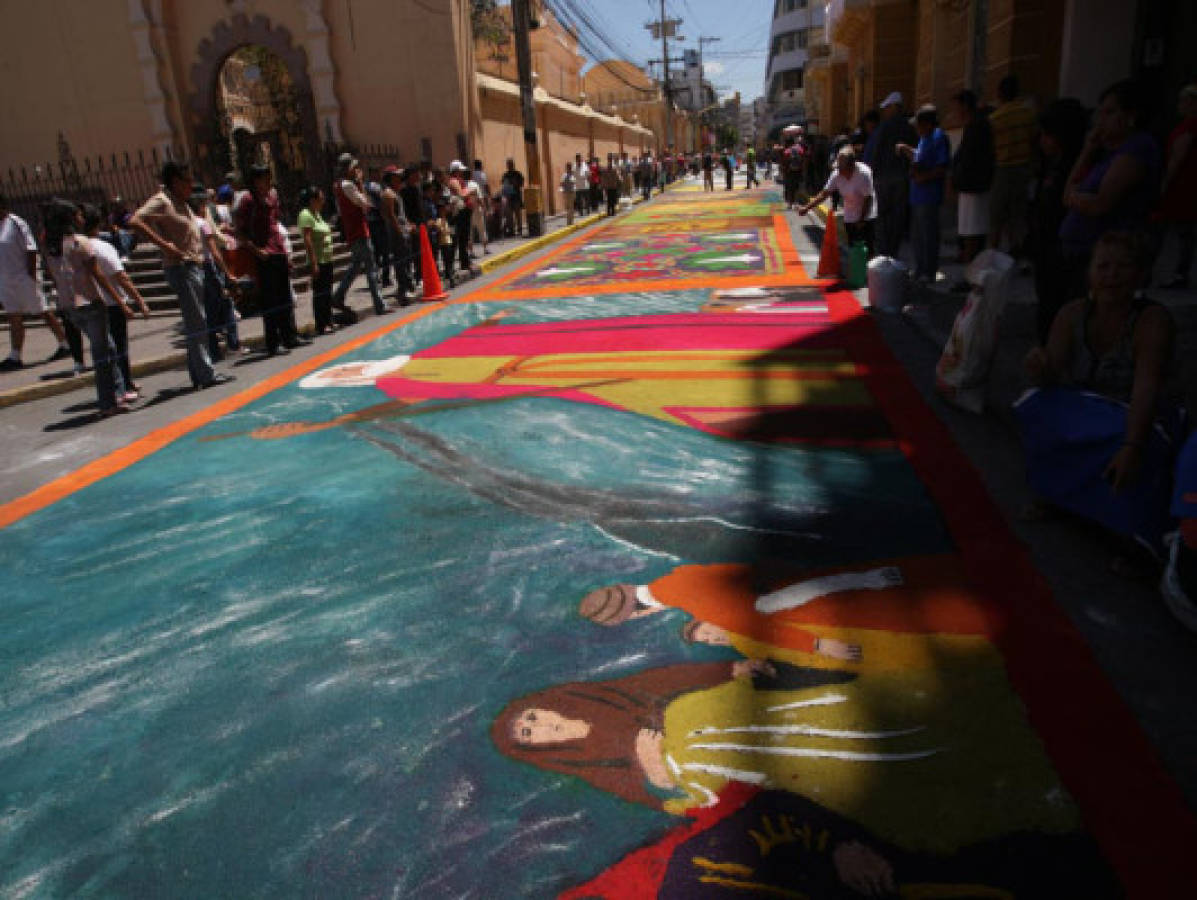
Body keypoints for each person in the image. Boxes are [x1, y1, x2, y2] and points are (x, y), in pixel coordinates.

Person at [1021, 230, 1179, 559]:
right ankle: (1062, 495)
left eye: (1123, 267)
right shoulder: (1072, 314)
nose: (1112, 276)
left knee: (1135, 442)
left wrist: (1132, 446)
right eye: (1103, 267)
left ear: (1139, 275)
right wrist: (1040, 366)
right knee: (1036, 406)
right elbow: (1052, 376)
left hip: (1138, 413)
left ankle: (1135, 536)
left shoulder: (1152, 321)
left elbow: (1146, 389)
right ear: (1089, 273)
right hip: (1091, 410)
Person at [1059, 79, 1161, 303]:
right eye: (1100, 113)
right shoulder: (1107, 153)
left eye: (1109, 113)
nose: (1100, 121)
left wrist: (1076, 198)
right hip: (1081, 252)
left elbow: (1100, 203)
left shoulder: (1137, 149)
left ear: (1130, 116)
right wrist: (1087, 151)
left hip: (1106, 258)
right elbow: (1068, 191)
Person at [130, 160, 230, 388]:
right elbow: (135, 220)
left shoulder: (181, 202)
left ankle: (199, 373)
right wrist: (165, 245)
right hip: (181, 267)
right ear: (175, 181)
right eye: (187, 181)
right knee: (197, 322)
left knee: (198, 321)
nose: (191, 185)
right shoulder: (162, 200)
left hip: (194, 266)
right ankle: (206, 374)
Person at [42, 199, 129, 416]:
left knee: (106, 349)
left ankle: (117, 392)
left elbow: (54, 277)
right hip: (89, 302)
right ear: (70, 219)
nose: (82, 218)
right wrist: (119, 301)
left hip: (69, 306)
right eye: (78, 215)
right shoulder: (80, 242)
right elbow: (97, 274)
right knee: (102, 354)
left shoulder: (51, 246)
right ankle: (107, 403)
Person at [1030, 98, 1089, 343]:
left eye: (1047, 135)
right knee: (1047, 306)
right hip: (1044, 246)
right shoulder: (1050, 164)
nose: (1042, 140)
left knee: (1058, 310)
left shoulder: (1076, 166)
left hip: (1062, 251)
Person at [235, 163, 304, 355]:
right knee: (270, 301)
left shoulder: (272, 196)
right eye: (263, 178)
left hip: (278, 251)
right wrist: (256, 250)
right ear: (255, 180)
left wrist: (285, 253)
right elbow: (239, 231)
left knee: (285, 298)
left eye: (268, 177)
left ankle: (289, 335)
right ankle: (273, 343)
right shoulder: (248, 200)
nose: (267, 182)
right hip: (263, 255)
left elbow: (274, 224)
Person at [81, 202, 147, 401]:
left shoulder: (77, 247)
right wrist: (138, 301)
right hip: (111, 303)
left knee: (105, 348)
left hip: (91, 303)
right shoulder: (102, 247)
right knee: (119, 347)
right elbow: (121, 277)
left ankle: (122, 384)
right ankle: (124, 385)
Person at [0, 194, 72, 372]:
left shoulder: (15, 222)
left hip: (24, 277)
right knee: (13, 316)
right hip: (5, 280)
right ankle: (15, 355)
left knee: (43, 311)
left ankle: (65, 344)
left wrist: (31, 275)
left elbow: (31, 249)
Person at [897, 105, 951, 284]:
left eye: (918, 125)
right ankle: (920, 269)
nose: (916, 129)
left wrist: (923, 177)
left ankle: (929, 271)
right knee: (918, 236)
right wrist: (907, 149)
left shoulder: (938, 137)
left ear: (927, 124)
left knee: (929, 236)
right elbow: (919, 156)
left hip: (929, 196)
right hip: (917, 197)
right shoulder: (923, 139)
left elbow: (942, 167)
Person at [188, 183, 241, 360]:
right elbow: (214, 251)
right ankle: (233, 343)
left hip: (196, 268)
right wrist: (227, 272)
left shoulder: (188, 225)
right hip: (209, 267)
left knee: (208, 311)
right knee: (226, 305)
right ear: (200, 207)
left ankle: (213, 350)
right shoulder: (203, 224)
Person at [332, 153, 387, 317]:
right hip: (358, 230)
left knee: (356, 266)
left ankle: (338, 295)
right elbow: (366, 204)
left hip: (355, 229)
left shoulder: (340, 185)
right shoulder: (348, 185)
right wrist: (361, 183)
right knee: (371, 268)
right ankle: (379, 304)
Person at [866, 92, 918, 259]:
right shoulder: (910, 127)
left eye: (887, 108)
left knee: (882, 215)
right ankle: (892, 252)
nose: (885, 111)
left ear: (895, 107)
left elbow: (876, 151)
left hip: (883, 178)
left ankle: (883, 252)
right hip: (902, 178)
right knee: (897, 216)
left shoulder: (885, 127)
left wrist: (871, 176)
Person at [799, 148, 878, 258]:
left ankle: (869, 271)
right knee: (854, 245)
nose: (839, 171)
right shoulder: (837, 174)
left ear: (852, 166)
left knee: (867, 248)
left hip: (867, 214)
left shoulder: (864, 174)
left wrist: (861, 220)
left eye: (842, 168)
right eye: (838, 167)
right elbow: (824, 194)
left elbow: (867, 198)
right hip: (850, 213)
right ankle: (857, 271)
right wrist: (807, 208)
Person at [949, 89, 996, 277]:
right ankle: (973, 275)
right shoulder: (974, 125)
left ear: (965, 106)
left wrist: (957, 180)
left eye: (957, 107)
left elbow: (972, 160)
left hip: (974, 187)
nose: (955, 112)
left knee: (972, 233)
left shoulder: (978, 126)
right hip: (970, 186)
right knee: (969, 232)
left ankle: (973, 277)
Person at [988, 75, 1036, 254]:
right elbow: (1034, 139)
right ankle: (1019, 253)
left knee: (997, 215)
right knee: (1018, 215)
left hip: (1003, 169)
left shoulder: (996, 118)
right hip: (1024, 169)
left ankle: (993, 254)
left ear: (1000, 93)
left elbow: (991, 147)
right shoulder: (1028, 115)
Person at [1156, 84, 1197, 289]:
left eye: (1184, 101)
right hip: (1187, 184)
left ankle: (1178, 272)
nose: (1180, 105)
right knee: (1184, 231)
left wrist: (1164, 184)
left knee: (1175, 229)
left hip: (1181, 186)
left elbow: (1177, 159)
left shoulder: (1189, 128)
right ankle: (1180, 271)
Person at [297, 186, 337, 334]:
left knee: (327, 292)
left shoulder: (317, 214)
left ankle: (328, 320)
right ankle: (321, 323)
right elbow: (308, 240)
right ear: (312, 200)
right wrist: (313, 263)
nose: (323, 201)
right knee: (320, 293)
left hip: (327, 258)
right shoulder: (305, 214)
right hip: (317, 260)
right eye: (320, 198)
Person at [380, 167, 417, 304]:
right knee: (400, 260)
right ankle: (403, 289)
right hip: (396, 232)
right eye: (396, 176)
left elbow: (401, 214)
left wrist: (408, 225)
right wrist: (399, 231)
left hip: (403, 230)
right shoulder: (388, 194)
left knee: (406, 258)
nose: (400, 178)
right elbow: (391, 215)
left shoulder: (396, 193)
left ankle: (407, 285)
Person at [501, 158, 525, 237]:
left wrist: (515, 184)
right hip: (508, 198)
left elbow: (522, 183)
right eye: (508, 164)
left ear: (513, 165)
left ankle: (519, 229)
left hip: (516, 197)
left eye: (510, 164)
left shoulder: (518, 174)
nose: (509, 166)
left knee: (518, 214)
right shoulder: (505, 175)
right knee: (509, 215)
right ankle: (511, 230)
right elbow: (503, 184)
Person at [559, 162, 578, 226]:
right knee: (568, 208)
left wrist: (575, 190)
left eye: (570, 167)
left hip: (572, 192)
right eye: (568, 167)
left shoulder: (573, 175)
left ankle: (571, 221)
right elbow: (561, 183)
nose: (569, 168)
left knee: (571, 207)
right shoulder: (564, 175)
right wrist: (563, 190)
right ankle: (569, 221)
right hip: (566, 193)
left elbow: (575, 183)